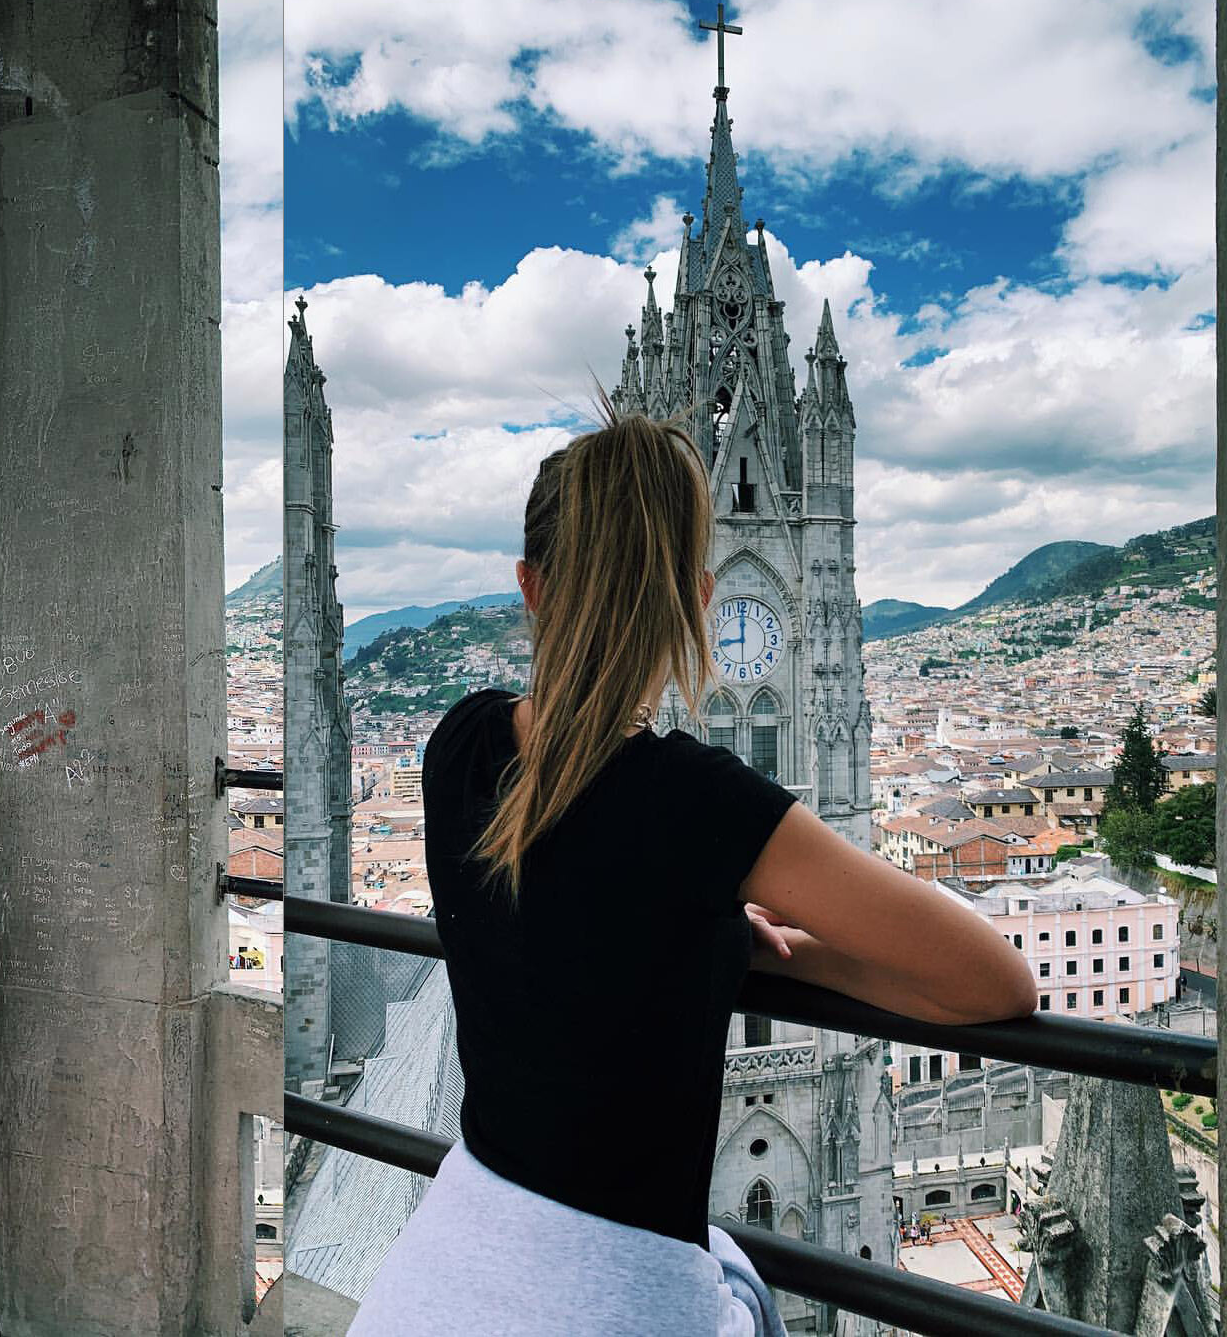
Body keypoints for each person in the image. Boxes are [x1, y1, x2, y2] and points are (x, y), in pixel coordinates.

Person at [347, 410, 1037, 1335]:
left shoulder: (458, 739)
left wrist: (691, 937)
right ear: (698, 598)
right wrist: (760, 955)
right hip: (608, 1301)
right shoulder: (698, 802)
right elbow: (995, 984)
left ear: (528, 586)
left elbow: (561, 912)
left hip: (441, 1271)